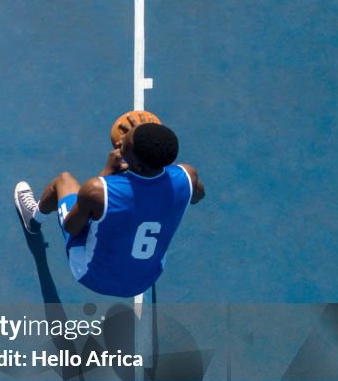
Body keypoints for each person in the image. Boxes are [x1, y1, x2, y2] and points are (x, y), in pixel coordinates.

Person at [13, 113, 205, 297]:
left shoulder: (98, 190)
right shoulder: (187, 177)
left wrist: (106, 173)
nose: (119, 143)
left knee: (63, 180)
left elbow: (71, 228)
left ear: (137, 165)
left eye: (124, 146)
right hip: (146, 277)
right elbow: (197, 196)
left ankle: (33, 219)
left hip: (92, 274)